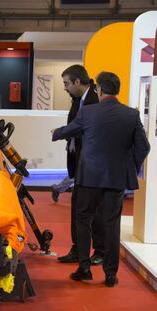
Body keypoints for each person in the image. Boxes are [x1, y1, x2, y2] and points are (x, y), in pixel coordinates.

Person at [52, 71, 150, 287]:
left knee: (83, 220)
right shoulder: (131, 115)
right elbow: (144, 147)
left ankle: (84, 268)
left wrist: (56, 132)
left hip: (89, 177)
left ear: (100, 90)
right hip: (115, 179)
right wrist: (128, 165)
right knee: (111, 225)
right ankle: (110, 274)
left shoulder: (88, 112)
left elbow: (70, 130)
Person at [56, 65, 105, 265]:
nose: (65, 87)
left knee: (95, 211)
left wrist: (61, 132)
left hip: (94, 168)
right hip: (78, 164)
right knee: (78, 208)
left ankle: (100, 251)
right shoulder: (78, 100)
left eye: (67, 83)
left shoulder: (95, 101)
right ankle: (78, 249)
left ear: (77, 82)